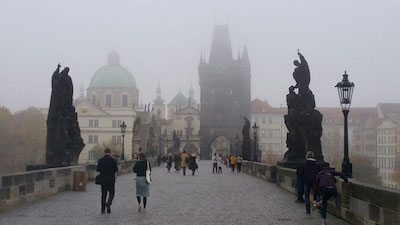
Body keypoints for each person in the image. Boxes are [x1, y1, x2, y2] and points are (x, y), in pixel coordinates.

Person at [96, 148, 118, 214]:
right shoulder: (113, 160)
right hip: (111, 179)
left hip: (103, 179)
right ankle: (108, 204)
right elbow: (116, 169)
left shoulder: (100, 160)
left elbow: (98, 169)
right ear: (110, 152)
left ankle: (103, 209)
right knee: (111, 193)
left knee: (103, 194)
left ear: (104, 152)